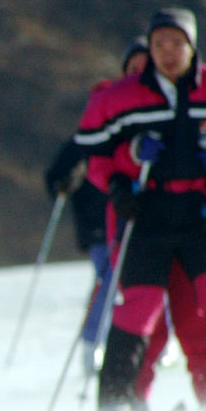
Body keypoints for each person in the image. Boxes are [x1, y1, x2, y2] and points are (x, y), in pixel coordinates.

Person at [76, 7, 206, 411]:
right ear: (149, 49)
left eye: (176, 44)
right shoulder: (122, 97)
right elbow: (93, 149)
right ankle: (115, 403)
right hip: (147, 214)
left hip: (200, 212)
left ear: (191, 45)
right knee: (140, 304)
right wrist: (117, 183)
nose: (168, 53)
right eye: (158, 45)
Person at [45, 36, 151, 375]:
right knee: (107, 279)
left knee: (146, 276)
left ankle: (153, 342)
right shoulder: (84, 137)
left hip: (131, 214)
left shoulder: (132, 126)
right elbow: (56, 174)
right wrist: (64, 185)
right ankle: (92, 345)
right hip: (95, 221)